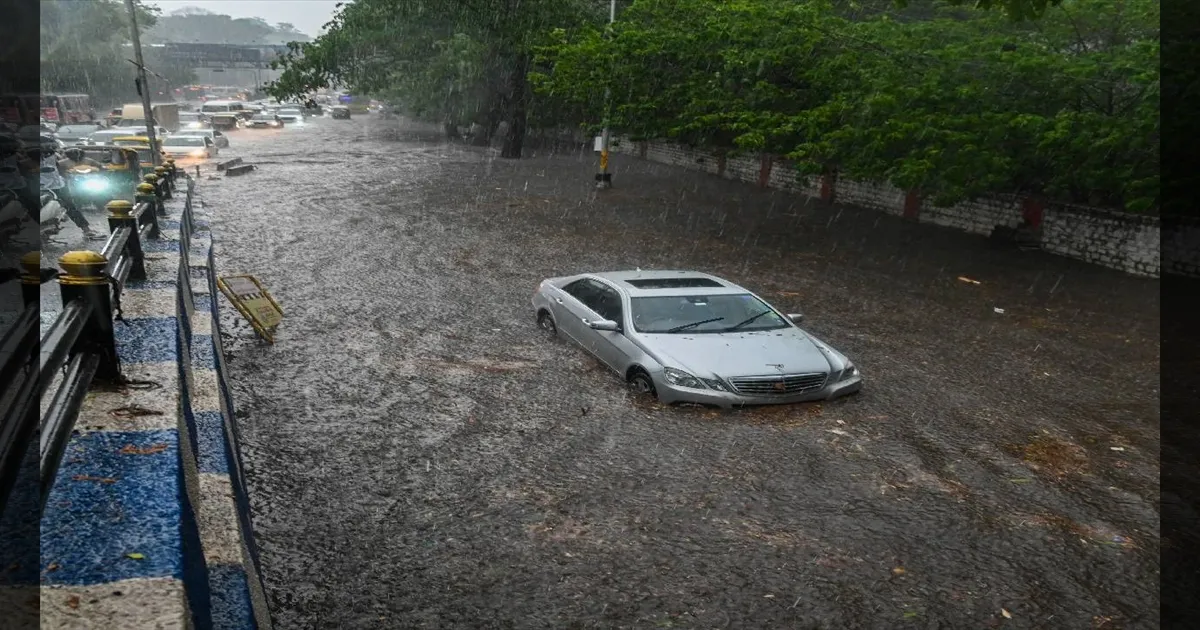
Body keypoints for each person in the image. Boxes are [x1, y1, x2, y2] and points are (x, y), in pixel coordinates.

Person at [41, 141, 102, 239]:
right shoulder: (30, 156)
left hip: (57, 185)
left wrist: (66, 177)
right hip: (41, 185)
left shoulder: (55, 156)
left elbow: (58, 169)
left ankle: (86, 230)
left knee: (70, 206)